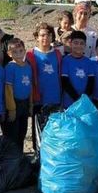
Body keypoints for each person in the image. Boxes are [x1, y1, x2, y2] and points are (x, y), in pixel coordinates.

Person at [25, 22, 63, 150]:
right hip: (38, 99)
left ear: (52, 37)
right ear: (36, 37)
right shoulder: (31, 55)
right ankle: (38, 156)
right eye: (41, 35)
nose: (45, 38)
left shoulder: (57, 54)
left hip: (55, 98)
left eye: (48, 35)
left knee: (55, 132)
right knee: (38, 132)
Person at [3, 38, 32, 151]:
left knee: (22, 132)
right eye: (14, 52)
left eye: (20, 51)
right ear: (9, 54)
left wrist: (30, 105)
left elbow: (29, 86)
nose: (18, 54)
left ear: (24, 50)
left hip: (25, 103)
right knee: (12, 134)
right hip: (14, 103)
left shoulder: (28, 66)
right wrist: (12, 109)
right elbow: (8, 89)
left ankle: (20, 156)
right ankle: (12, 159)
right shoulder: (10, 67)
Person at [61, 30, 96, 107]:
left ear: (85, 45)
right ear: (70, 43)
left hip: (85, 103)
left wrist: (84, 99)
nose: (78, 46)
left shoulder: (89, 62)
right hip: (69, 103)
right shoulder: (65, 60)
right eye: (76, 43)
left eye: (81, 43)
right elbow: (65, 82)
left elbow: (91, 82)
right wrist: (77, 99)